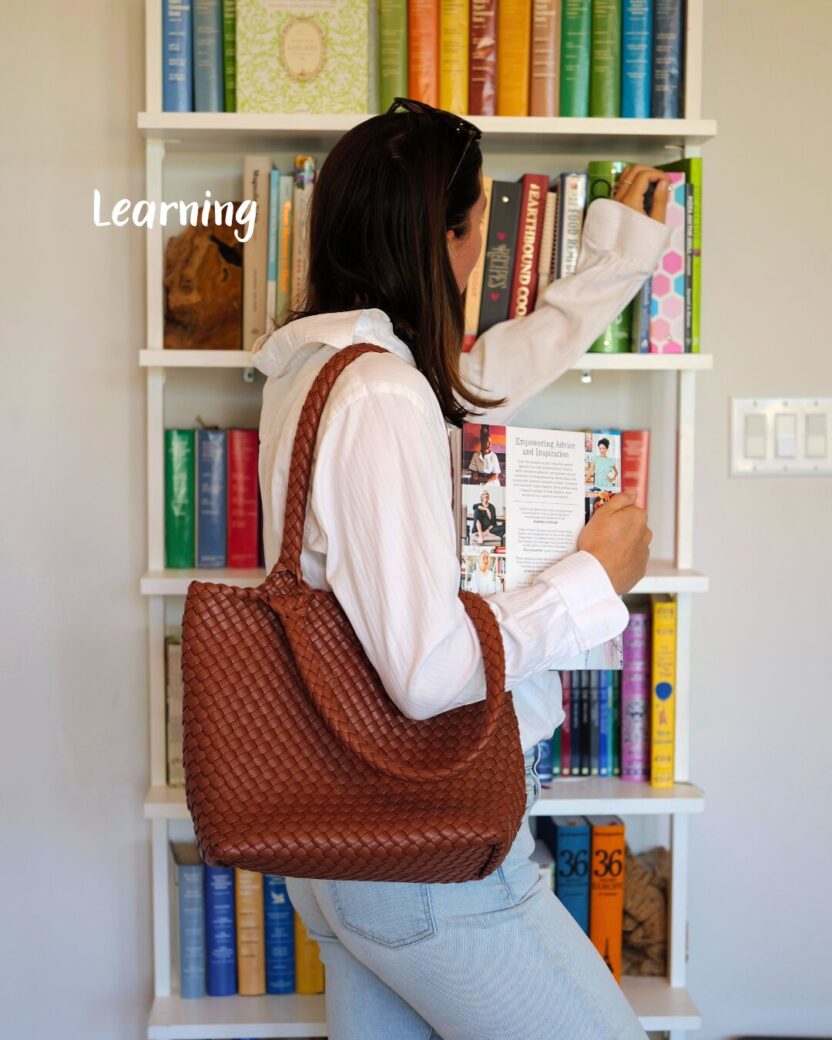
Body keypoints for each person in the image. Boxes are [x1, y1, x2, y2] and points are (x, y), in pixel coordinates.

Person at [251, 96, 670, 1040]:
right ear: (445, 236)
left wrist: (620, 259)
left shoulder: (323, 374)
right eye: (480, 223)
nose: (482, 250)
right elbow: (429, 673)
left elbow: (486, 376)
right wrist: (592, 580)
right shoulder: (380, 395)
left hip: (362, 842)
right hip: (423, 855)